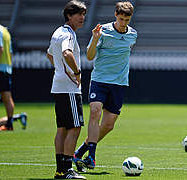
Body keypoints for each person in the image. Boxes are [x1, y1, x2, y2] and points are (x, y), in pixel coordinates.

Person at [73, 1, 137, 171]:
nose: (123, 23)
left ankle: (80, 152)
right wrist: (94, 39)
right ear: (115, 15)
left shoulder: (132, 35)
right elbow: (89, 56)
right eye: (121, 18)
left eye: (127, 20)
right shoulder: (103, 31)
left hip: (119, 83)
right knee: (95, 113)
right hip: (100, 80)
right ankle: (91, 158)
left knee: (108, 125)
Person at [46, 1, 87, 179]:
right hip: (69, 88)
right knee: (75, 127)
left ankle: (60, 170)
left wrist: (60, 71)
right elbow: (67, 53)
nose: (82, 18)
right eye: (79, 14)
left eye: (83, 14)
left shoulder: (57, 32)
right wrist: (76, 72)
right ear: (69, 15)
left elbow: (49, 54)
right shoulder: (68, 34)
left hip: (59, 85)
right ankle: (68, 169)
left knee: (62, 128)